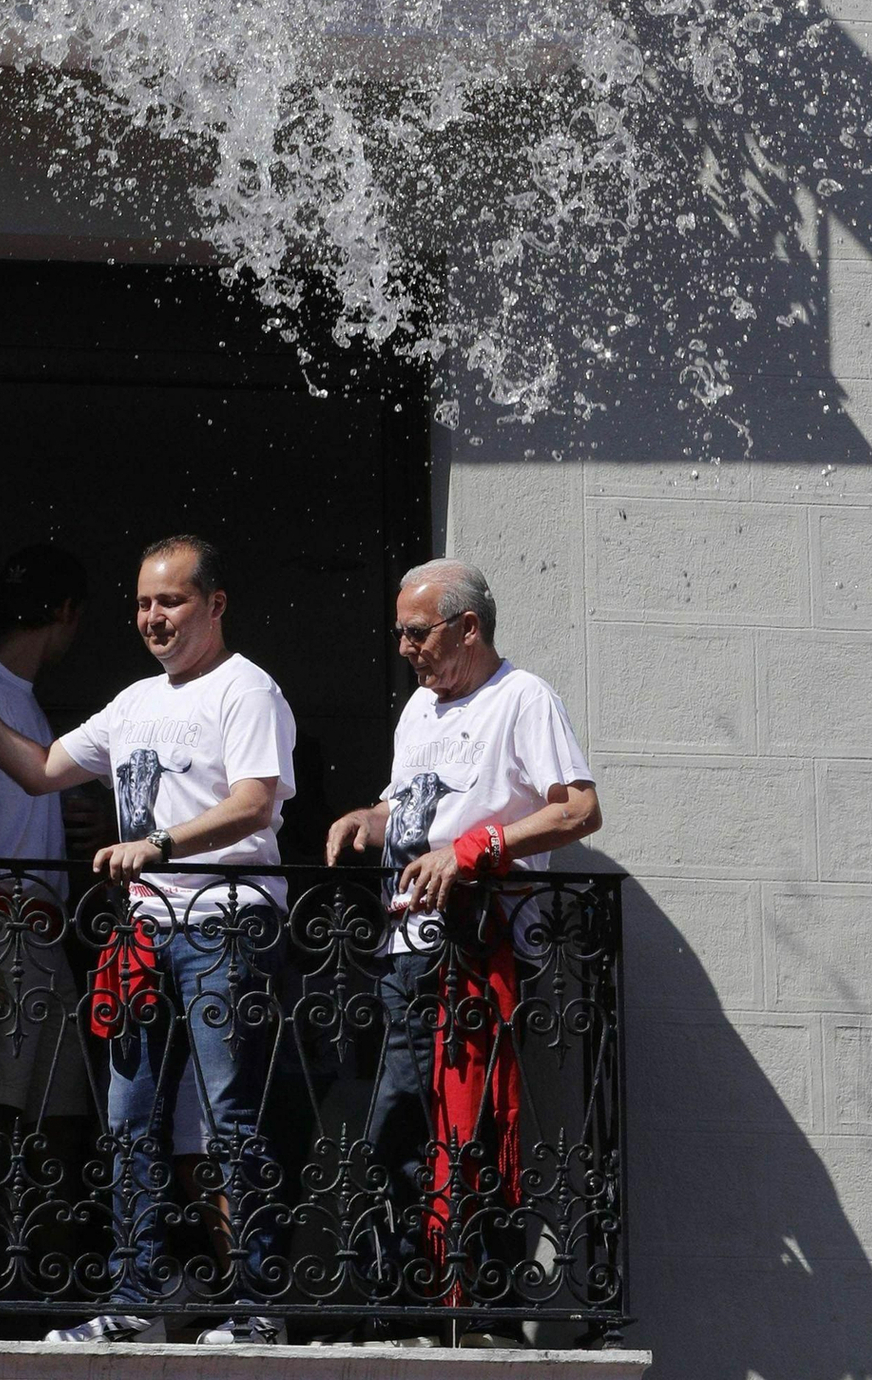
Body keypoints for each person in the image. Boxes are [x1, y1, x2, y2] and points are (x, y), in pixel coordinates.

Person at [0, 532, 295, 1346]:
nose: (153, 618)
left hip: (223, 925)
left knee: (227, 1118)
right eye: (141, 602)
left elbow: (255, 803)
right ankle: (135, 1300)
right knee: (129, 1118)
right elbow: (41, 768)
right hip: (142, 937)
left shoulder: (246, 689)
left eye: (170, 601)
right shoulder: (136, 702)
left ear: (215, 604)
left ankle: (256, 1306)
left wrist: (159, 844)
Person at [325, 560, 600, 1320]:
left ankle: (459, 1298)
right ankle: (419, 1294)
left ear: (467, 628)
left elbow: (578, 809)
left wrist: (474, 851)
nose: (406, 648)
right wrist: (366, 821)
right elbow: (408, 809)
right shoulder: (418, 708)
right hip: (403, 950)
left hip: (473, 949)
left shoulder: (522, 699)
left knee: (459, 1126)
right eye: (401, 634)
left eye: (417, 633)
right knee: (401, 1129)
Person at [0, 543, 90, 1139]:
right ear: (65, 612)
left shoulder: (12, 697)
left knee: (59, 1126)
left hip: (40, 932)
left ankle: (11, 1236)